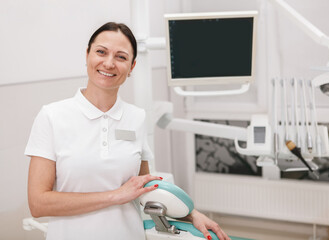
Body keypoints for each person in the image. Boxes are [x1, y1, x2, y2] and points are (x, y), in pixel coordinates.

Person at [25, 22, 230, 240]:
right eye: (101, 52)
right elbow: (38, 203)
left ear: (132, 67)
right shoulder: (52, 116)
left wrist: (192, 215)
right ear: (87, 55)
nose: (109, 63)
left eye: (121, 57)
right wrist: (115, 196)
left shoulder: (137, 117)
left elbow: (145, 187)